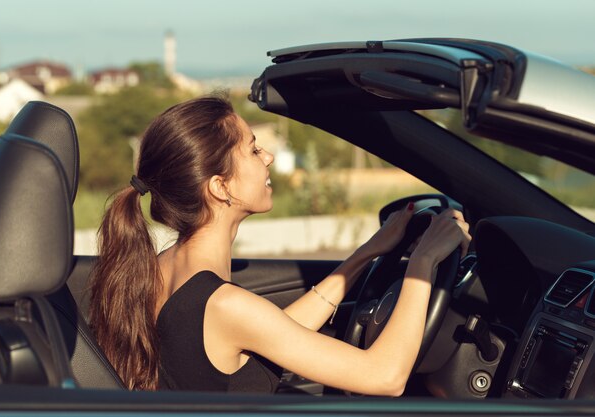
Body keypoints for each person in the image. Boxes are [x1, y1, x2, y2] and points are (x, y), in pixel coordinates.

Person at [88, 95, 471, 394]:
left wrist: (366, 254)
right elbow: (386, 377)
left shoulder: (159, 267)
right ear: (220, 187)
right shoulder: (224, 304)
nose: (268, 156)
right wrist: (423, 263)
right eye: (253, 150)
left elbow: (272, 331)